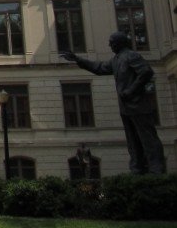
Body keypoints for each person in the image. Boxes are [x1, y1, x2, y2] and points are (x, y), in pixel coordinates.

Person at [60, 32, 165, 174]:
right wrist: (77, 59)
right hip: (126, 107)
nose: (109, 45)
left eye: (111, 42)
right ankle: (136, 169)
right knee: (132, 141)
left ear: (119, 43)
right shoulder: (116, 60)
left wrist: (131, 91)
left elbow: (146, 72)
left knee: (148, 139)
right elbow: (99, 68)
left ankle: (156, 169)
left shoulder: (132, 56)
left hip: (139, 105)